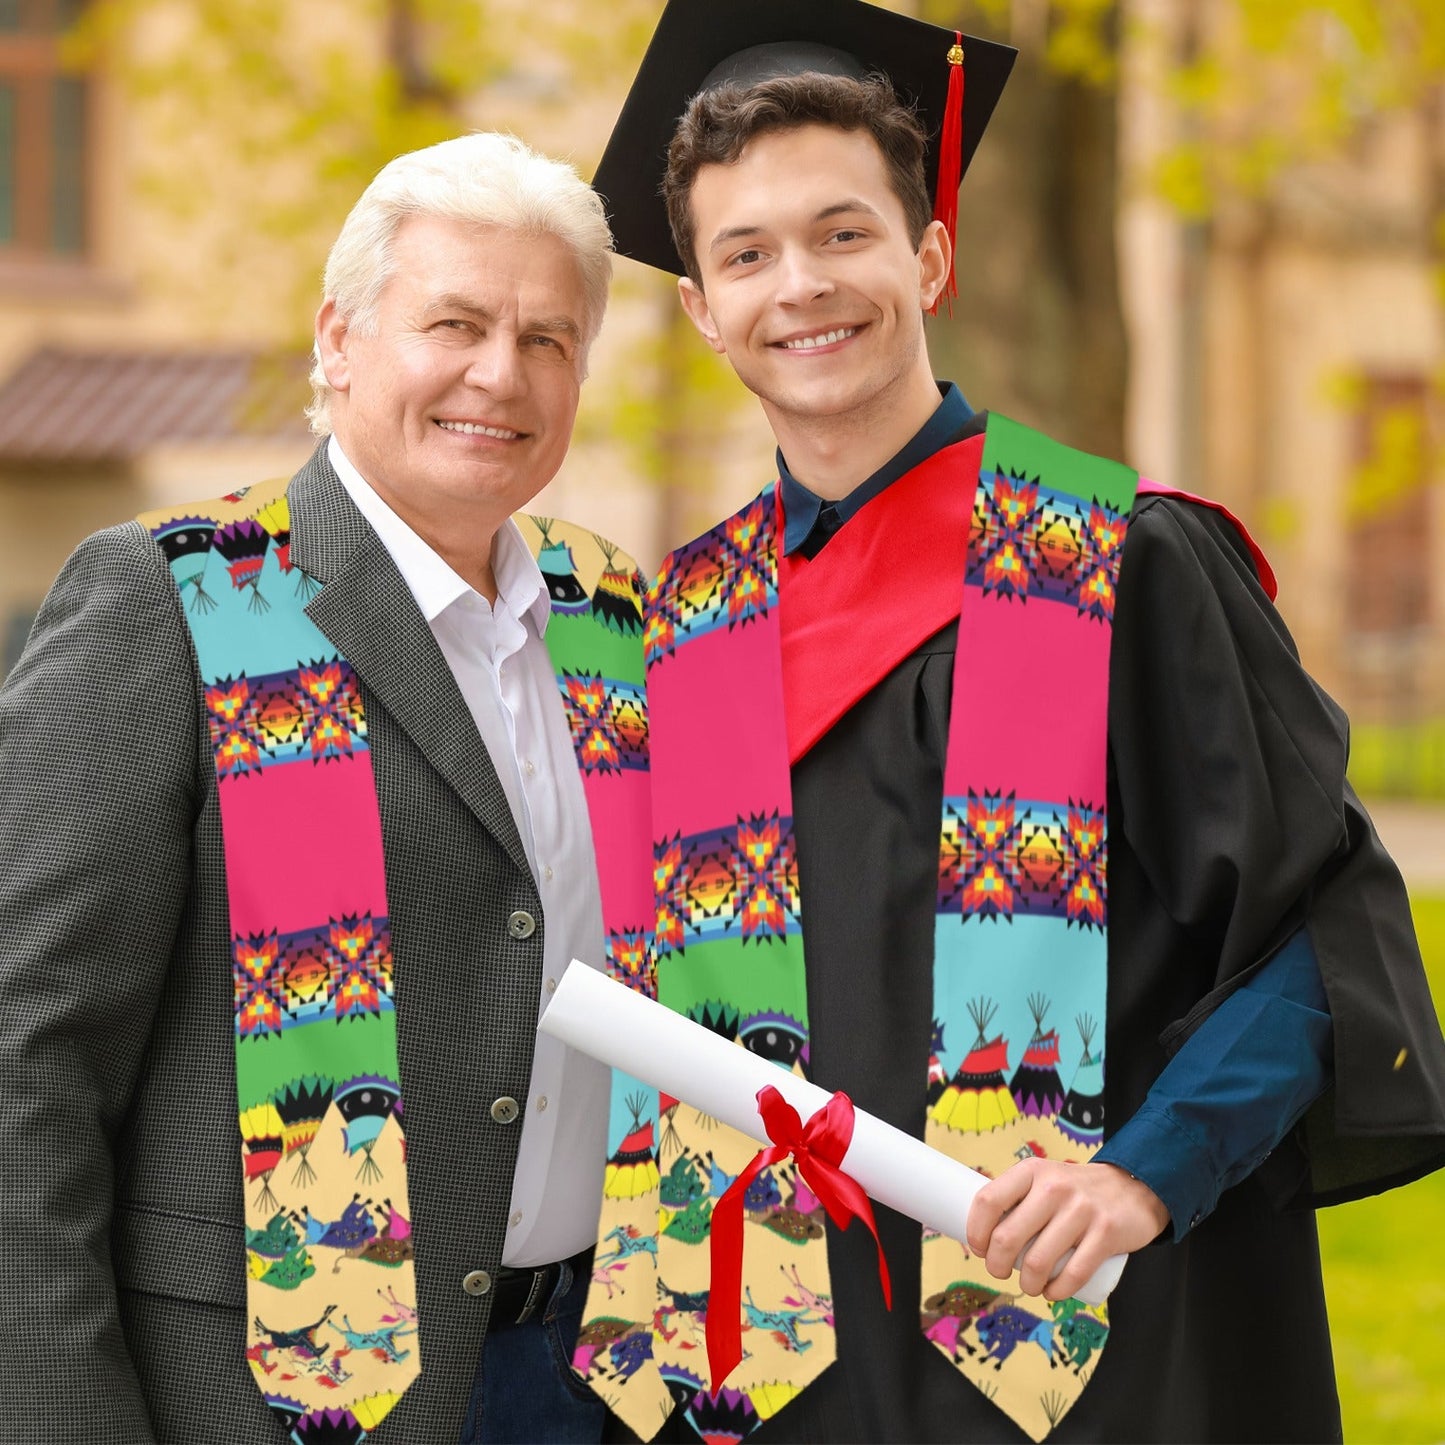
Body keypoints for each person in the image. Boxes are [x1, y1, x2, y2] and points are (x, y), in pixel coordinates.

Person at [570, 2, 1445, 1442]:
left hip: (1087, 1350)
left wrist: (1143, 1174)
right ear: (703, 310)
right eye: (747, 253)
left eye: (843, 233)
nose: (801, 284)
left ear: (929, 256)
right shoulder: (684, 631)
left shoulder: (1116, 562)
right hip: (778, 1375)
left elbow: (1321, 932)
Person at [0, 132, 649, 1445]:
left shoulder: (613, 615)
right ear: (339, 340)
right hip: (268, 1397)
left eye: (547, 339)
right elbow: (28, 1056)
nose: (500, 373)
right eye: (455, 323)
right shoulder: (179, 597)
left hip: (591, 1380)